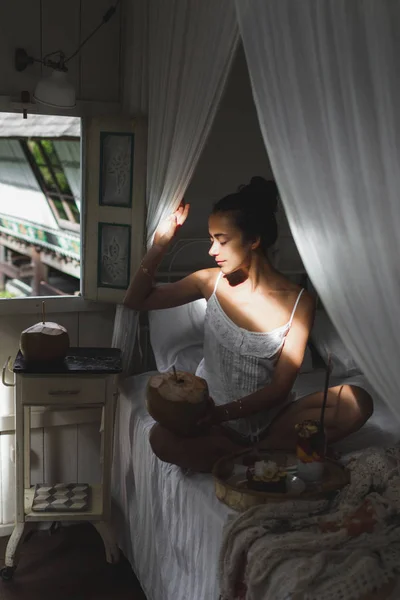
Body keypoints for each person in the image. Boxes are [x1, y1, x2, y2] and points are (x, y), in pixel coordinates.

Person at [123, 177, 373, 472]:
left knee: (358, 401)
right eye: (211, 240)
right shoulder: (209, 282)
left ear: (253, 240)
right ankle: (253, 454)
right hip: (210, 421)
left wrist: (225, 413)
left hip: (272, 422)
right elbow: (136, 300)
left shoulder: (299, 302)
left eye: (222, 240)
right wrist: (160, 245)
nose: (212, 250)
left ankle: (249, 452)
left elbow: (281, 388)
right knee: (160, 439)